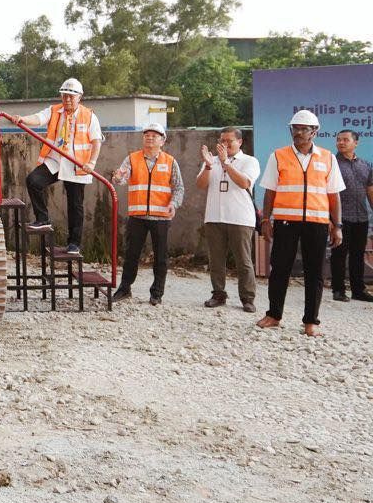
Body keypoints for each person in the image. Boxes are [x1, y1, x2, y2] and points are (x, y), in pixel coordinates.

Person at [257, 110, 344, 336]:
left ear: (314, 132)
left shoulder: (327, 158)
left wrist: (338, 225)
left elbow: (334, 195)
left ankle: (311, 321)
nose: (298, 132)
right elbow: (270, 192)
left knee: (314, 272)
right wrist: (266, 220)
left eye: (304, 128)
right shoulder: (279, 155)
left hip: (316, 223)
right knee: (280, 269)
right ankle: (274, 314)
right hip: (286, 222)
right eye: (295, 128)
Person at [17, 78, 102, 255]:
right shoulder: (54, 110)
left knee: (75, 204)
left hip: (76, 165)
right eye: (64, 96)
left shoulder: (89, 116)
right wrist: (22, 119)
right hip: (56, 160)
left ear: (80, 97)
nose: (67, 99)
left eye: (71, 96)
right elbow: (38, 118)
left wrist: (91, 162)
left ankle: (74, 243)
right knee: (33, 181)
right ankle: (43, 218)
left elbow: (96, 141)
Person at [110, 122, 184, 305]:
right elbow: (121, 178)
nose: (149, 138)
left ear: (162, 140)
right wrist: (118, 177)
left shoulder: (170, 161)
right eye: (147, 135)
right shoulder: (132, 159)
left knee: (160, 257)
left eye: (154, 135)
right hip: (138, 216)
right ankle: (125, 288)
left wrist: (174, 204)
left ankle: (157, 294)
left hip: (161, 218)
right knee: (131, 255)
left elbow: (179, 187)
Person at [197, 127, 261, 313]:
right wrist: (209, 166)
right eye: (221, 141)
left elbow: (244, 183)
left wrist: (226, 163)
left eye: (229, 141)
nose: (224, 145)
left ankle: (247, 298)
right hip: (214, 216)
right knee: (216, 259)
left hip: (240, 217)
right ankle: (218, 294)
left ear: (239, 142)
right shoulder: (212, 160)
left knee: (243, 260)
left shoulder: (249, 161)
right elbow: (200, 185)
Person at [330, 129, 373, 302]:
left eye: (345, 140)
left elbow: (370, 191)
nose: (341, 142)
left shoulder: (365, 165)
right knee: (339, 254)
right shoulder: (332, 164)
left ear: (356, 143)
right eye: (338, 139)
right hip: (340, 218)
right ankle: (338, 290)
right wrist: (330, 220)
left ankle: (358, 290)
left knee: (357, 254)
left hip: (361, 217)